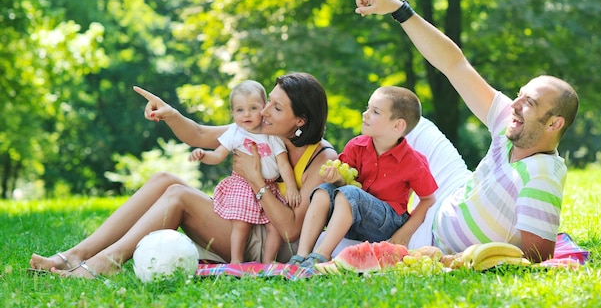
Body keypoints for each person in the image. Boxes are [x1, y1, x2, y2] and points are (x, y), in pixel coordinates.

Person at [349, 0, 579, 262]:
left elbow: (536, 256)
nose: (516, 104)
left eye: (529, 102)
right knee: (411, 126)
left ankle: (335, 213)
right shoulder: (512, 123)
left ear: (554, 123)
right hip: (452, 190)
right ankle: (351, 178)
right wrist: (398, 9)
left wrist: (452, 259)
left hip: (434, 238)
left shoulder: (541, 175)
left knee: (335, 245)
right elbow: (455, 64)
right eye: (520, 94)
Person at [29, 72, 337, 278]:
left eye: (276, 108)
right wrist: (171, 114)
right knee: (165, 179)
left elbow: (290, 230)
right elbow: (202, 134)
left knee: (179, 196)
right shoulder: (269, 131)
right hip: (245, 219)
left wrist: (256, 180)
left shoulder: (321, 158)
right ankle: (75, 255)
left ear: (300, 120)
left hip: (268, 243)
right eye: (268, 101)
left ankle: (102, 264)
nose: (265, 111)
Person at [289, 86, 437, 268]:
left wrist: (405, 232)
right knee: (324, 191)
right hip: (354, 219)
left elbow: (428, 199)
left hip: (387, 222)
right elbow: (346, 184)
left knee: (350, 194)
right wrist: (337, 179)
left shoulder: (413, 161)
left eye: (375, 111)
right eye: (368, 108)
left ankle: (321, 256)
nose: (365, 114)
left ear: (397, 125)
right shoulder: (356, 146)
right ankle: (301, 255)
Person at [188, 80, 301, 263]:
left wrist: (291, 187)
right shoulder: (235, 132)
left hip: (268, 187)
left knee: (275, 227)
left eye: (253, 108)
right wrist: (203, 155)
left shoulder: (271, 134)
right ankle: (236, 261)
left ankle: (268, 263)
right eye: (240, 110)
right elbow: (218, 155)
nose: (246, 114)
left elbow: (283, 165)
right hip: (243, 185)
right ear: (232, 113)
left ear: (264, 108)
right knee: (241, 224)